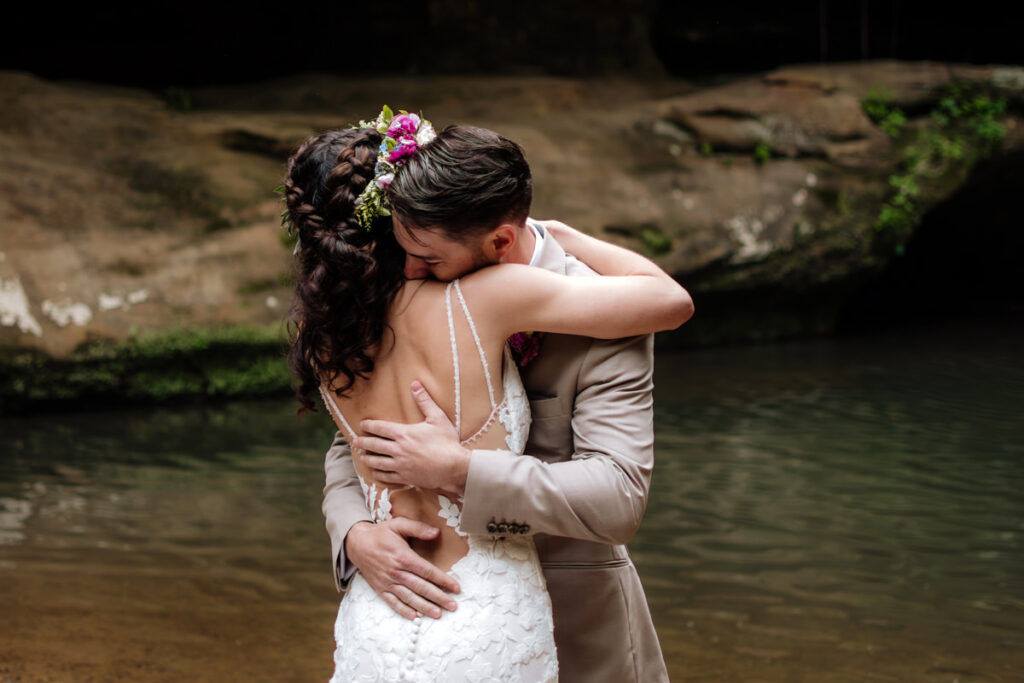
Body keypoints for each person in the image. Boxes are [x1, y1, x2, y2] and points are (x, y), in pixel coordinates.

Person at [311, 114, 690, 682]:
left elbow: (619, 496)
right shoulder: (414, 278)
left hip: (573, 621)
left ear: (500, 241)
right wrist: (355, 534)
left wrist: (461, 470)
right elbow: (356, 442)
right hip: (424, 605)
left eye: (431, 260)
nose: (411, 271)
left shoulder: (607, 310)